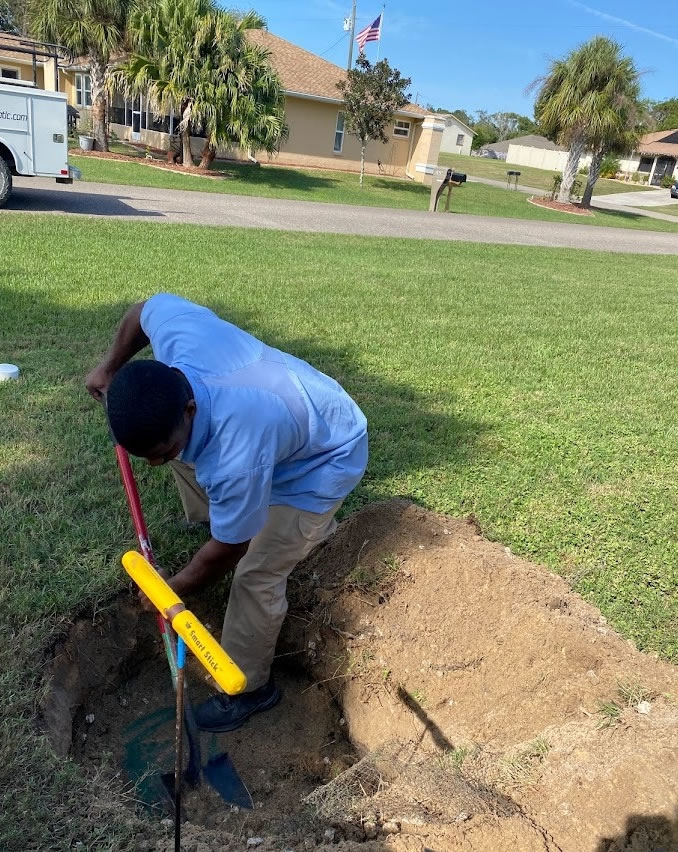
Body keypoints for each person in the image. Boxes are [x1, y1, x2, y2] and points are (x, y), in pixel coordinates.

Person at [85, 293, 368, 732]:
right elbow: (145, 310)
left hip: (326, 454)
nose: (157, 464)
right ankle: (229, 514)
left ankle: (251, 689)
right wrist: (109, 367)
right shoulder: (180, 340)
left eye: (161, 452)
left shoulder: (237, 455)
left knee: (257, 569)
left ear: (190, 407)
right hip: (282, 418)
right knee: (195, 468)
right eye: (145, 457)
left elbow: (230, 550)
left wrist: (175, 590)